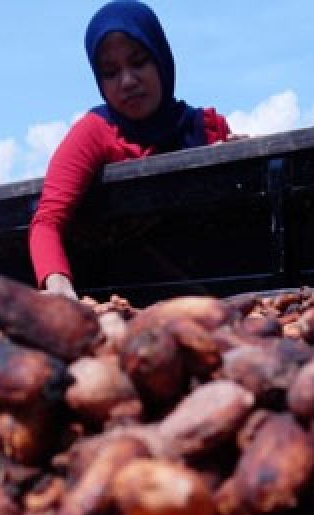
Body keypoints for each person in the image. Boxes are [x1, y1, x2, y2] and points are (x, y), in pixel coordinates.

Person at [29, 1, 237, 298]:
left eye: (139, 62)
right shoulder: (96, 131)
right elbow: (47, 221)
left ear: (161, 59)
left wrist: (233, 164)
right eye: (110, 72)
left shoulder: (208, 128)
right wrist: (59, 286)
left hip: (210, 295)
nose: (127, 81)